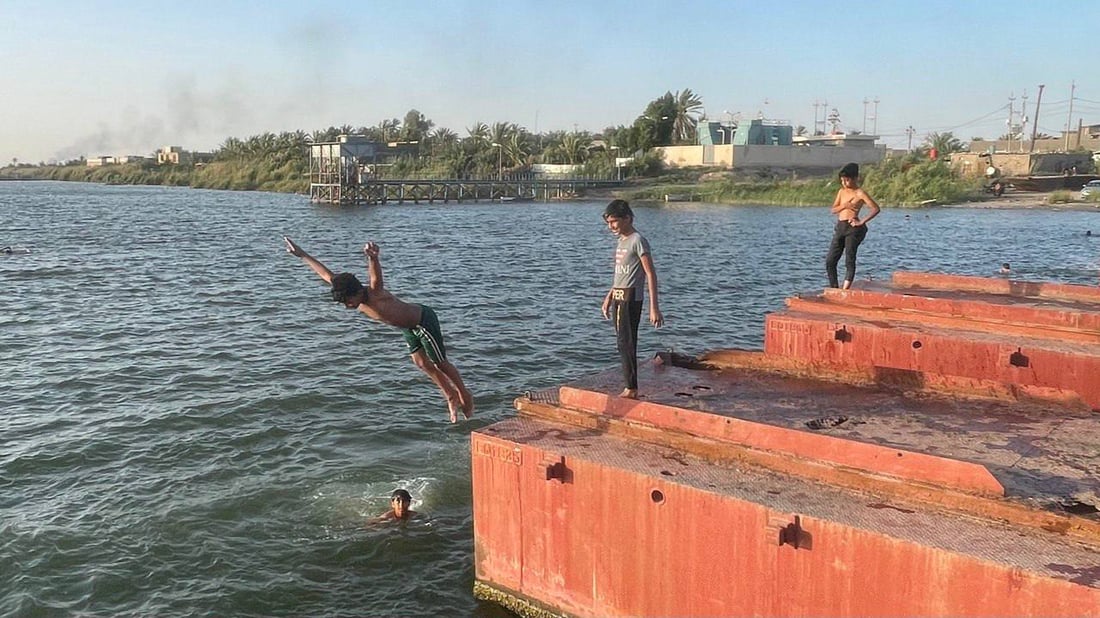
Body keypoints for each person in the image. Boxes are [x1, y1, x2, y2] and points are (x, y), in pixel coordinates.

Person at [283, 236, 474, 422]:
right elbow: (325, 273)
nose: (348, 306)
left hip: (422, 321)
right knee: (421, 363)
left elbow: (375, 278)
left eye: (349, 302)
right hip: (407, 327)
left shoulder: (375, 294)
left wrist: (373, 258)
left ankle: (464, 394)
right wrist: (301, 254)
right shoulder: (347, 290)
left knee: (440, 362)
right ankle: (450, 395)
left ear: (358, 292)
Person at [600, 200, 663, 399]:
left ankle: (631, 388)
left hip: (630, 298)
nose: (611, 226)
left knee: (626, 341)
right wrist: (609, 296)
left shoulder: (638, 240)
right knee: (621, 342)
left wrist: (654, 308)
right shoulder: (622, 241)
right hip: (619, 296)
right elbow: (621, 274)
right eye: (608, 222)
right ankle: (629, 384)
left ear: (627, 218)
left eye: (614, 222)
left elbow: (650, 274)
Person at [825, 163, 881, 289]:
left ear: (855, 178)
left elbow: (875, 209)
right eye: (842, 180)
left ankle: (845, 289)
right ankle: (834, 287)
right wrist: (844, 205)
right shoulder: (842, 192)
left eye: (847, 180)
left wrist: (862, 222)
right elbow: (833, 210)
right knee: (830, 261)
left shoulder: (860, 193)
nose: (844, 183)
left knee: (849, 259)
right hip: (840, 227)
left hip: (853, 228)